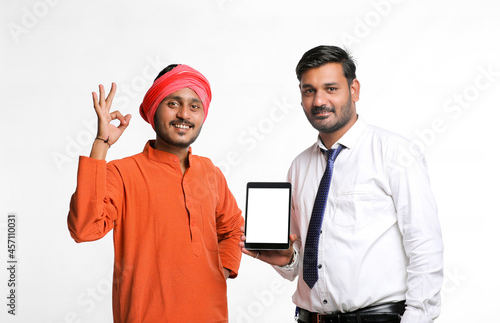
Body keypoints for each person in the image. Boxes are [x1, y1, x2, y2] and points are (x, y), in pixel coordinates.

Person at [240, 46, 444, 323]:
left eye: (331, 88)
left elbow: (424, 245)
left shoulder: (394, 153)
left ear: (354, 90)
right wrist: (287, 259)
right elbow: (304, 261)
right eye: (309, 90)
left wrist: (417, 318)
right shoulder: (299, 167)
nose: (319, 100)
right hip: (309, 317)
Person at [68, 64, 244, 322]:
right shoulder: (122, 172)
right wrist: (101, 145)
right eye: (173, 103)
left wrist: (222, 270)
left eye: (195, 106)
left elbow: (232, 228)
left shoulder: (210, 172)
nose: (184, 114)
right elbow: (84, 229)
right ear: (153, 110)